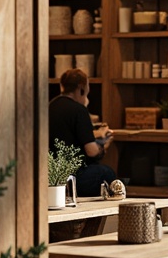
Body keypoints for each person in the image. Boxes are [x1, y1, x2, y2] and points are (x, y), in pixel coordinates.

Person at [48, 67, 118, 196]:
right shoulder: (79, 110)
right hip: (73, 176)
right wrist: (104, 146)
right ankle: (97, 216)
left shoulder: (49, 106)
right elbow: (91, 151)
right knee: (107, 173)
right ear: (81, 88)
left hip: (49, 174)